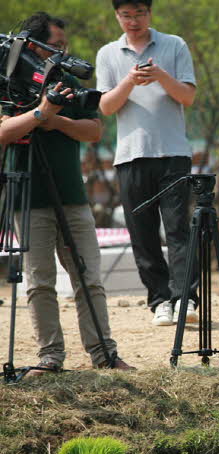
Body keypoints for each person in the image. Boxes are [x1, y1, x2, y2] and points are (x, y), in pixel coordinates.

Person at [0, 12, 133, 377]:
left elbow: (93, 131)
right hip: (29, 198)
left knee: (89, 276)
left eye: (64, 46)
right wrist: (41, 112)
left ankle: (104, 354)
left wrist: (57, 119)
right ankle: (50, 357)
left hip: (72, 195)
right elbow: (3, 132)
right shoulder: (7, 82)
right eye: (54, 46)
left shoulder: (66, 81)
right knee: (39, 281)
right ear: (31, 45)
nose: (61, 53)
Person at [97, 0, 198, 327]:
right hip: (130, 155)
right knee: (142, 234)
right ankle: (159, 300)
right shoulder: (107, 54)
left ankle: (185, 297)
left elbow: (187, 96)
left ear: (149, 13)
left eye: (139, 13)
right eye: (126, 15)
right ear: (117, 16)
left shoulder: (174, 45)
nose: (133, 21)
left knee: (178, 229)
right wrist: (129, 81)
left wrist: (159, 76)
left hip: (173, 153)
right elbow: (107, 107)